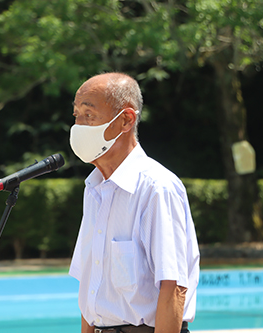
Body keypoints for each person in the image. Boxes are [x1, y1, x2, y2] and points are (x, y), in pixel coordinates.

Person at [68, 72, 200, 333]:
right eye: (76, 116)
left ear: (126, 120)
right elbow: (90, 287)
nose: (79, 126)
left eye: (89, 115)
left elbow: (173, 287)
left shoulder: (157, 187)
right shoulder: (94, 189)